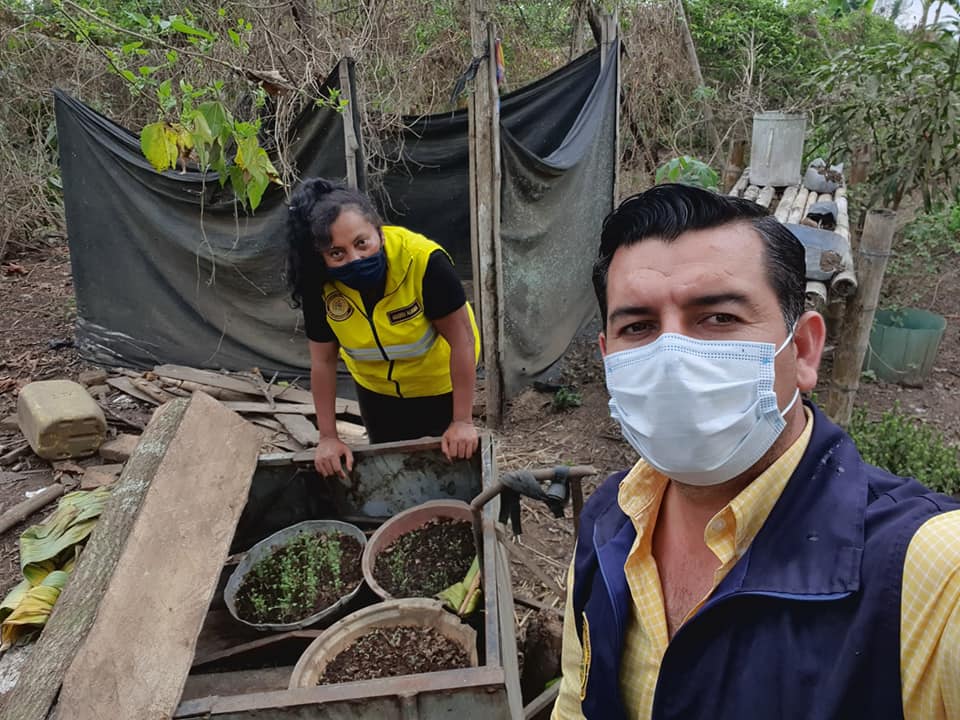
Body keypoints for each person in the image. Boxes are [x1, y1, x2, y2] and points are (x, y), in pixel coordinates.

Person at [552, 183, 960, 720]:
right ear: (608, 358)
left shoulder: (930, 577)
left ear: (804, 350)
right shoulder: (610, 524)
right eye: (639, 326)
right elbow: (575, 704)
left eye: (719, 318)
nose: (673, 358)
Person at [286, 178, 481, 476]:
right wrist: (328, 438)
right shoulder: (319, 284)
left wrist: (462, 421)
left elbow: (462, 340)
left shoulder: (423, 262)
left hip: (440, 383)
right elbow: (323, 361)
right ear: (321, 257)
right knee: (391, 473)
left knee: (447, 471)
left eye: (361, 243)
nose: (355, 259)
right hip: (376, 391)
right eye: (337, 253)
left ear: (378, 231)